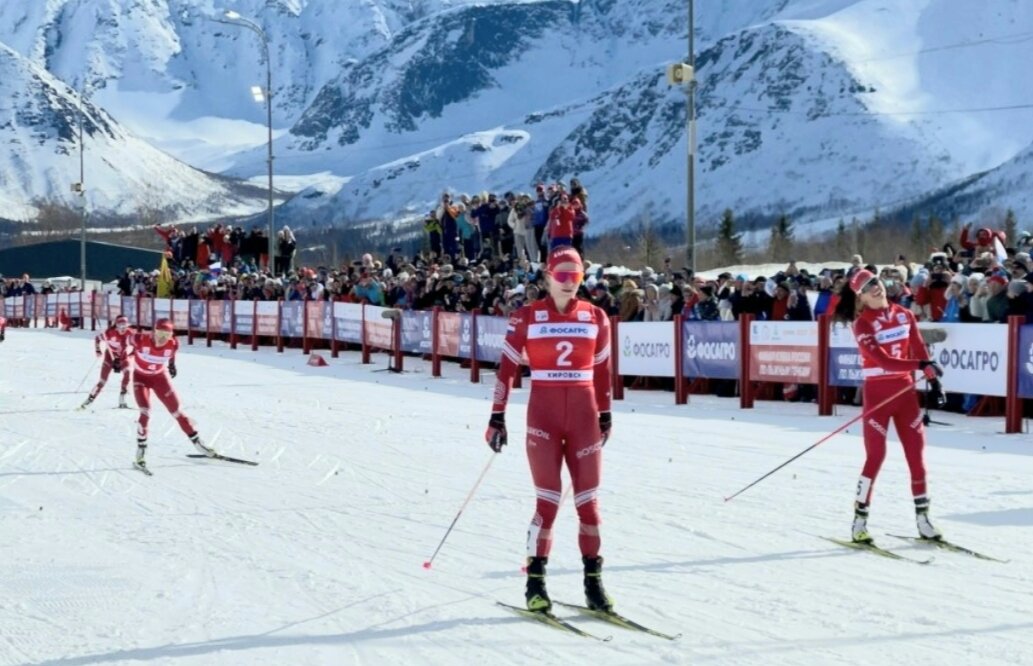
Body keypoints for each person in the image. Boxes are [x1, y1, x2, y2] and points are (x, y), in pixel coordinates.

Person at [484, 247, 614, 613]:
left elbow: (603, 370)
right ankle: (535, 585)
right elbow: (507, 368)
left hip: (585, 418)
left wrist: (605, 414)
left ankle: (593, 584)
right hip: (543, 418)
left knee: (589, 505)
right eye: (562, 275)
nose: (570, 283)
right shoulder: (526, 316)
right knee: (548, 501)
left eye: (576, 276)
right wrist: (497, 416)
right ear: (548, 277)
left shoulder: (596, 316)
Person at [833, 269, 946, 544]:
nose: (875, 287)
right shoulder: (862, 324)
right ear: (861, 298)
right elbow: (884, 361)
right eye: (867, 287)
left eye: (875, 281)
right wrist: (922, 365)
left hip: (905, 395)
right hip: (878, 397)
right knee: (876, 457)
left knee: (916, 456)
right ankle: (859, 521)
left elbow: (919, 349)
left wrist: (934, 380)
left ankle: (924, 520)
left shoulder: (905, 314)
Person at [126, 318, 214, 472]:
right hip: (141, 378)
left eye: (167, 335)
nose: (163, 338)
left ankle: (199, 444)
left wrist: (172, 365)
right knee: (145, 412)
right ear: (154, 331)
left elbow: (172, 354)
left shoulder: (173, 344)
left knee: (177, 412)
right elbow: (125, 340)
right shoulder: (140, 339)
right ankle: (140, 454)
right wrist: (119, 358)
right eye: (160, 333)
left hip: (159, 378)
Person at [80, 314, 134, 409]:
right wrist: (98, 350)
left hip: (123, 357)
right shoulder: (110, 333)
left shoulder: (129, 333)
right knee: (103, 380)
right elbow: (97, 339)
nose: (122, 328)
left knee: (128, 374)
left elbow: (137, 345)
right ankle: (89, 400)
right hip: (109, 357)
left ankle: (122, 400)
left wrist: (131, 354)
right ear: (116, 325)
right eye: (120, 325)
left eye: (124, 325)